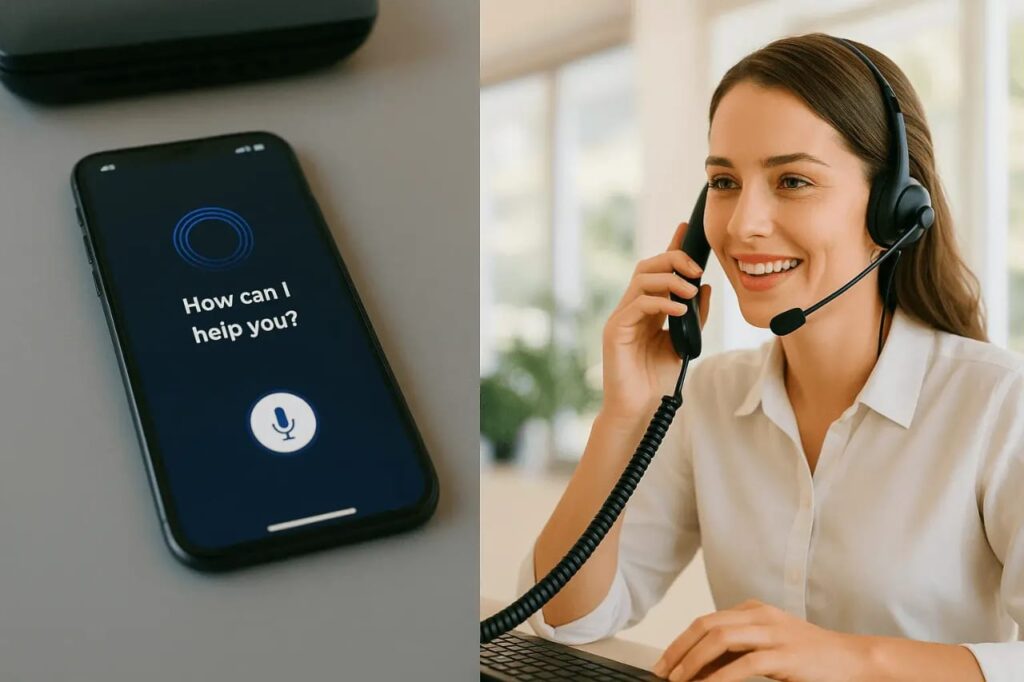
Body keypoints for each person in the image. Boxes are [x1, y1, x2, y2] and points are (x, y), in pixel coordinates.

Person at [517, 33, 1023, 682]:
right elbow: (566, 616)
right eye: (724, 182)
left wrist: (850, 659)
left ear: (896, 207)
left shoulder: (998, 403)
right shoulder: (710, 399)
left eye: (792, 181)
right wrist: (623, 415)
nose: (743, 224)